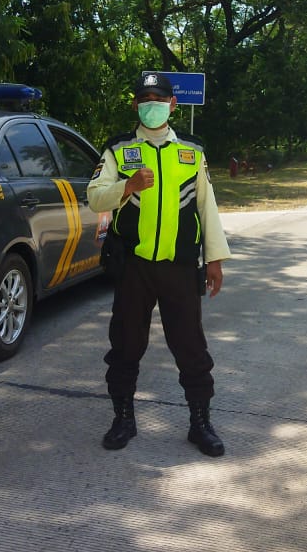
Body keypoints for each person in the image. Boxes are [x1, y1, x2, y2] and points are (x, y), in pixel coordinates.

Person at [87, 72, 232, 457]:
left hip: (180, 267)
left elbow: (207, 206)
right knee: (125, 345)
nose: (152, 105)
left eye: (159, 99)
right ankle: (123, 418)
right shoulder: (119, 150)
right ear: (136, 105)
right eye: (145, 99)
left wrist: (214, 259)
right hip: (134, 267)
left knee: (191, 347)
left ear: (172, 104)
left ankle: (200, 423)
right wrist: (128, 186)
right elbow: (95, 198)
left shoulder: (191, 151)